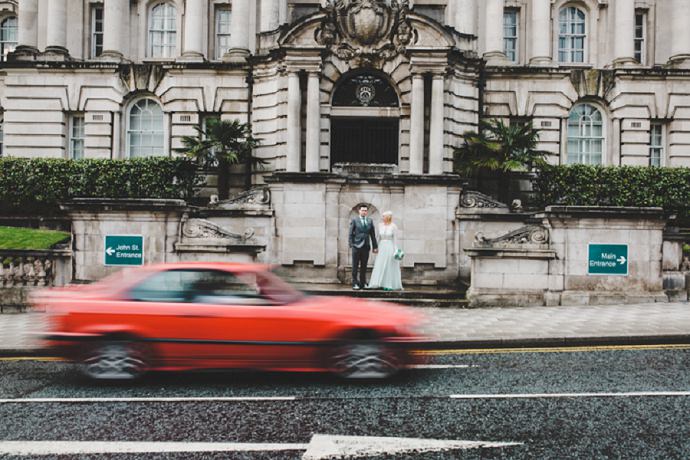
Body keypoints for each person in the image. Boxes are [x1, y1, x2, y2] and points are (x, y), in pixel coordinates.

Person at [368, 211, 403, 291]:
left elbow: (395, 240)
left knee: (389, 265)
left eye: (384, 216)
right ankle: (377, 283)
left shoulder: (393, 226)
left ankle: (388, 284)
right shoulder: (380, 226)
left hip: (390, 246)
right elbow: (378, 238)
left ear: (388, 217)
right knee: (379, 264)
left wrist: (396, 250)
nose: (382, 218)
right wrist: (375, 247)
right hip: (381, 246)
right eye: (382, 216)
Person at [348, 204, 378, 290]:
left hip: (366, 246)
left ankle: (363, 282)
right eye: (362, 210)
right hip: (356, 246)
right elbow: (350, 233)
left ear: (367, 212)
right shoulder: (355, 220)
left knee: (364, 266)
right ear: (359, 211)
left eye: (365, 211)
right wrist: (351, 244)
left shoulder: (370, 221)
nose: (364, 212)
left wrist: (375, 246)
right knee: (355, 265)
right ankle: (354, 283)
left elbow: (372, 235)